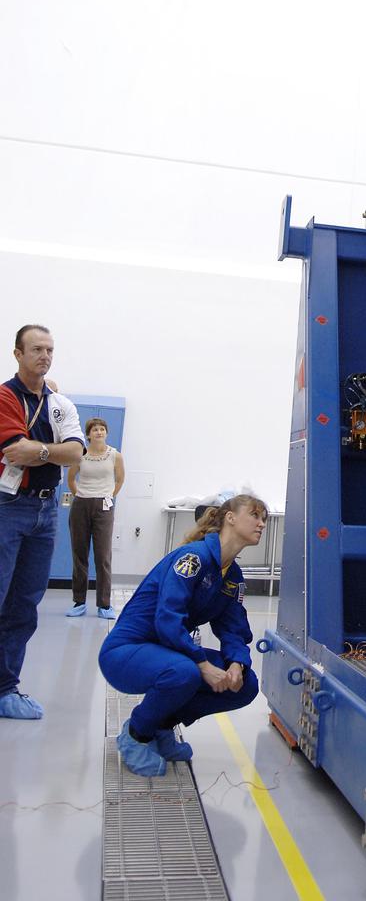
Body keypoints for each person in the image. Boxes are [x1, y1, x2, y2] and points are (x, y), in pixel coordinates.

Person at [99, 494, 266, 776]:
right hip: (126, 652)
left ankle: (161, 726)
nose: (261, 524)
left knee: (246, 684)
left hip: (168, 653)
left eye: (264, 519)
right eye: (255, 515)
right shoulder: (193, 558)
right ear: (230, 518)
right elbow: (167, 619)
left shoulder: (232, 576)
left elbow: (234, 628)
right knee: (185, 672)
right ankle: (136, 734)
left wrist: (236, 663)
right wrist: (203, 665)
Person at [0, 324, 85, 720]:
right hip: (8, 507)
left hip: (45, 511)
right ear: (18, 353)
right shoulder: (4, 396)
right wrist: (54, 451)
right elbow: (16, 451)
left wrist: (42, 451)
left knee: (24, 604)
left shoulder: (60, 404)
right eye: (36, 349)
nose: (44, 355)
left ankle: (5, 688)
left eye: (49, 349)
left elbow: (76, 454)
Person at [66, 417, 125, 620]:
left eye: (102, 429)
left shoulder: (115, 455)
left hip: (104, 506)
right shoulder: (80, 454)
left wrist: (108, 495)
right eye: (95, 429)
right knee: (79, 554)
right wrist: (81, 496)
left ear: (106, 433)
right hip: (81, 504)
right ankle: (79, 601)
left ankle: (104, 604)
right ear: (88, 434)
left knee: (103, 556)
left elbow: (120, 479)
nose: (99, 432)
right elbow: (71, 478)